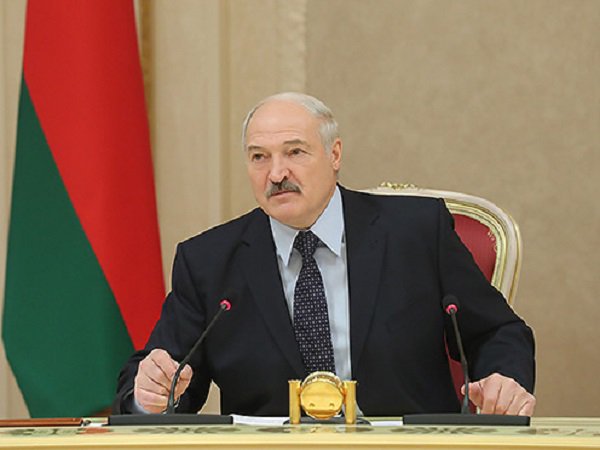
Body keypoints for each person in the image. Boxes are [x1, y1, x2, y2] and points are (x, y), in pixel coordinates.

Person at [114, 92, 536, 417]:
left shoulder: (415, 232)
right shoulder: (209, 261)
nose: (276, 173)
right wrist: (150, 395)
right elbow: (160, 374)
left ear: (334, 155)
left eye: (294, 152)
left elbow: (497, 332)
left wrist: (504, 381)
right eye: (259, 157)